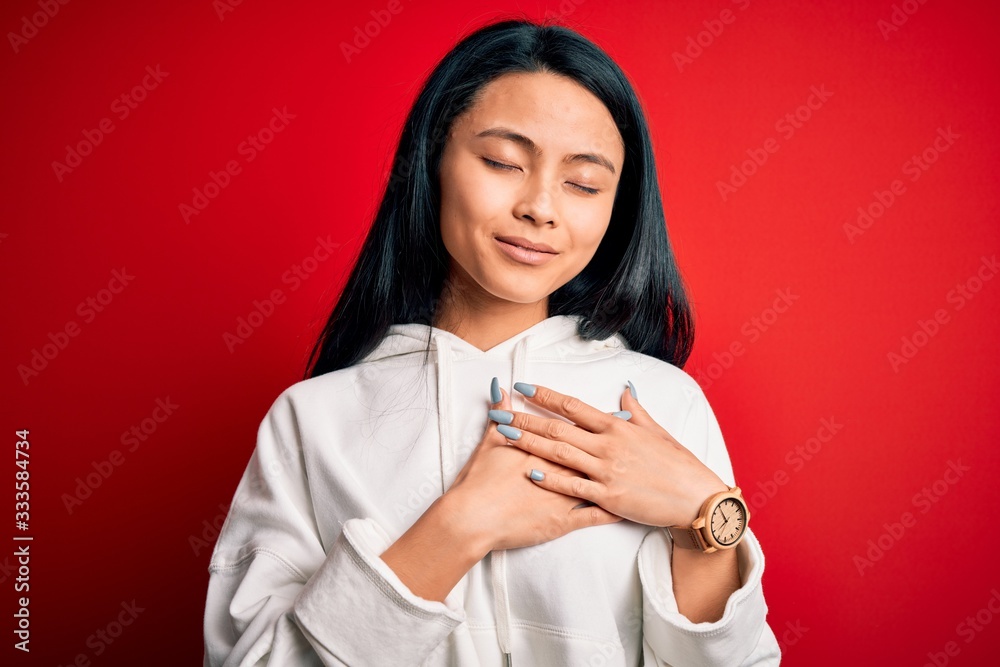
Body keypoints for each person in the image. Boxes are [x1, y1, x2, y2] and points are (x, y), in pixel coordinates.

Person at [203, 18, 781, 666]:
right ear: (433, 164)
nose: (541, 206)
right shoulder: (312, 421)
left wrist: (706, 521)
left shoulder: (663, 406)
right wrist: (459, 525)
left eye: (584, 183)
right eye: (504, 162)